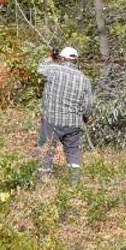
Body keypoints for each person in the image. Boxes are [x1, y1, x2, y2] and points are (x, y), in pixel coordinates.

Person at [36, 47, 95, 184]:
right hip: (73, 123)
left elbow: (41, 68)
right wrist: (85, 117)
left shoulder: (54, 70)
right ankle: (74, 183)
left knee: (47, 150)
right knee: (73, 151)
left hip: (52, 121)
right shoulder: (84, 79)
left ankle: (43, 183)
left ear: (62, 59)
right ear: (76, 61)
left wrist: (51, 57)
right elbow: (88, 105)